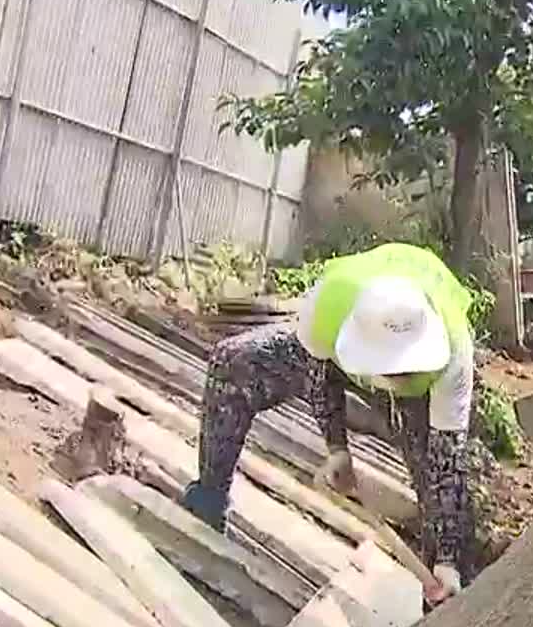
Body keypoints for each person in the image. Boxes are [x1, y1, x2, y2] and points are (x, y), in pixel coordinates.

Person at [181, 242, 474, 606]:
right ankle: (207, 505)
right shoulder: (328, 308)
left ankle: (443, 603)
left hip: (422, 396)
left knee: (442, 492)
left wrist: (448, 557)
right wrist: (336, 449)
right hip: (338, 349)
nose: (396, 374)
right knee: (233, 361)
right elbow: (317, 375)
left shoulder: (452, 357)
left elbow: (448, 464)